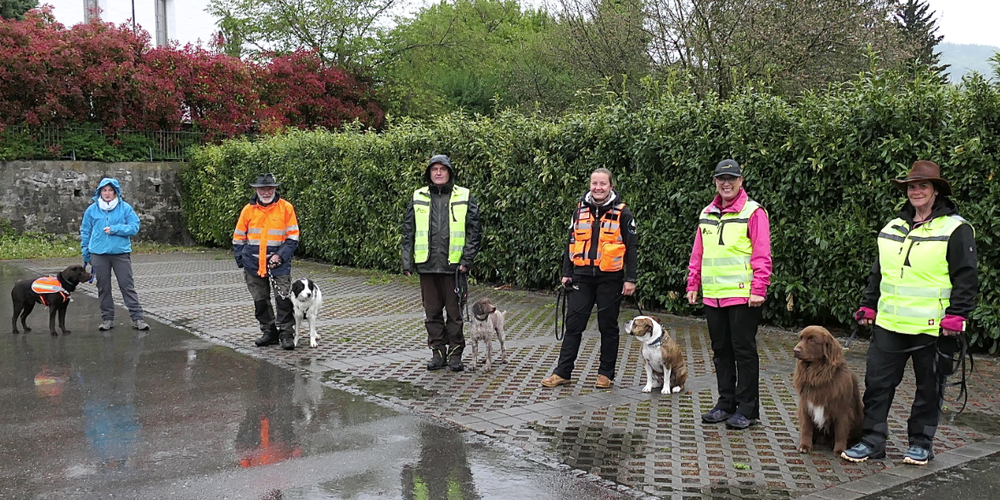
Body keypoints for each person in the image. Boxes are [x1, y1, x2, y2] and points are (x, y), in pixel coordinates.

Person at [842, 160, 978, 465]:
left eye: (922, 186)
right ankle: (872, 441)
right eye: (911, 187)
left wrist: (958, 315)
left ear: (935, 191)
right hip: (889, 325)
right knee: (877, 385)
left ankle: (921, 443)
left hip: (931, 329)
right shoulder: (893, 227)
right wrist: (868, 304)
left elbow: (967, 278)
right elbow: (879, 273)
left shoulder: (956, 229)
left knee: (929, 389)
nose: (916, 191)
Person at [686, 159, 772, 430]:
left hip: (743, 296)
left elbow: (762, 254)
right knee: (721, 352)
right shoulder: (707, 213)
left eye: (731, 179)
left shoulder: (753, 212)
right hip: (713, 296)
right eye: (721, 179)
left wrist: (759, 288)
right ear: (715, 182)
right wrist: (693, 283)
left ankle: (748, 408)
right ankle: (725, 403)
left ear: (740, 181)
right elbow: (698, 252)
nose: (726, 183)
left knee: (743, 352)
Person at [541, 168, 637, 390]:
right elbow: (570, 242)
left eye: (603, 184)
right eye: (594, 183)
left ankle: (605, 374)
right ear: (590, 185)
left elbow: (632, 249)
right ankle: (562, 372)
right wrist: (566, 272)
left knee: (608, 327)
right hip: (581, 276)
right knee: (573, 326)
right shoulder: (579, 211)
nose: (598, 188)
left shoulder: (624, 213)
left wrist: (630, 279)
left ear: (611, 186)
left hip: (610, 279)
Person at [401, 155, 482, 372]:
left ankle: (456, 354)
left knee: (455, 315)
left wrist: (467, 259)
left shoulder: (464, 195)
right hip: (427, 266)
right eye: (434, 169)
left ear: (449, 172)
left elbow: (475, 232)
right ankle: (437, 353)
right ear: (429, 173)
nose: (438, 173)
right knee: (432, 313)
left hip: (454, 267)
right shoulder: (418, 196)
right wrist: (406, 261)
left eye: (442, 169)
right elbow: (408, 231)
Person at [233, 173, 301, 350]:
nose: (265, 192)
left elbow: (293, 236)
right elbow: (239, 236)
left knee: (283, 299)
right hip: (253, 264)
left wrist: (280, 256)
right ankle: (269, 331)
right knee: (260, 301)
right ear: (256, 190)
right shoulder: (248, 210)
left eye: (269, 188)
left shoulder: (286, 208)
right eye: (262, 189)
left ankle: (286, 333)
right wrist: (242, 260)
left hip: (279, 263)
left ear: (275, 189)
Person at [80, 177, 149, 331]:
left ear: (116, 192)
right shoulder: (92, 210)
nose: (107, 193)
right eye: (104, 190)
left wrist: (116, 229)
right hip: (98, 254)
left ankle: (138, 318)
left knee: (127, 286)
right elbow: (85, 232)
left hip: (120, 254)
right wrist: (86, 253)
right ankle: (107, 319)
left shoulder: (125, 208)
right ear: (100, 192)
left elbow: (134, 227)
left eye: (110, 190)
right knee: (103, 287)